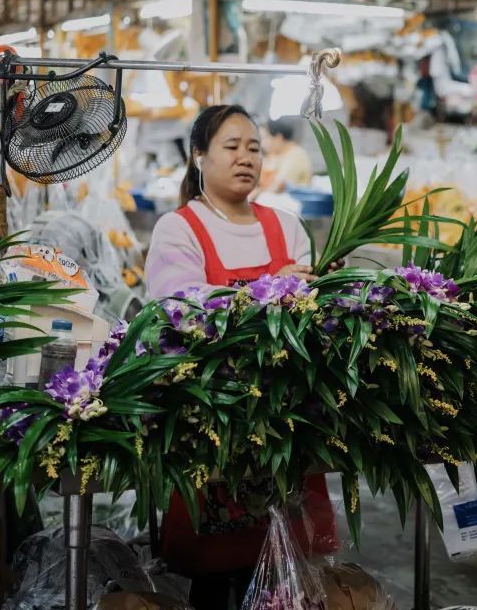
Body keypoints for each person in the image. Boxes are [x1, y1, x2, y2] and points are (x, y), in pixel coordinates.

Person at [144, 105, 336, 609]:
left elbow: (309, 312)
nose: (245, 157)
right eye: (231, 146)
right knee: (213, 581)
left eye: (254, 146)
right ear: (199, 156)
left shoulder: (287, 226)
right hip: (212, 428)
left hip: (284, 426)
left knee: (285, 579)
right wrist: (272, 289)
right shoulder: (178, 228)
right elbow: (179, 308)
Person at [253, 117, 313, 196]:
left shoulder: (296, 155)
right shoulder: (273, 156)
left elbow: (278, 186)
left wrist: (257, 193)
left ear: (278, 138)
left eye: (265, 138)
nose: (262, 144)